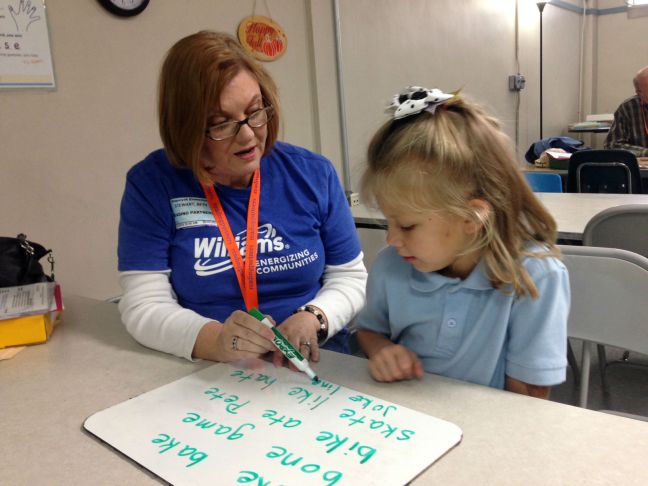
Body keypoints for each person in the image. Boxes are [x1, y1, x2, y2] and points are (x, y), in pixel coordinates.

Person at [117, 31, 367, 367]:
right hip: (211, 371)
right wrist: (214, 340)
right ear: (185, 129)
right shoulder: (153, 184)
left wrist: (314, 317)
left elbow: (350, 277)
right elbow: (143, 306)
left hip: (315, 365)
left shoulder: (312, 174)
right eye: (221, 124)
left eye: (255, 112)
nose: (249, 135)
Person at [354, 86, 569, 398]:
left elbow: (529, 399)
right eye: (388, 220)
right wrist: (382, 350)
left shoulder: (535, 276)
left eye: (407, 225)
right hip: (403, 425)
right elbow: (370, 329)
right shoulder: (391, 266)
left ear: (471, 219)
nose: (391, 239)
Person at [604, 65, 648, 157]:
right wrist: (645, 153)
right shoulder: (628, 108)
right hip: (641, 169)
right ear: (638, 92)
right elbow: (612, 146)